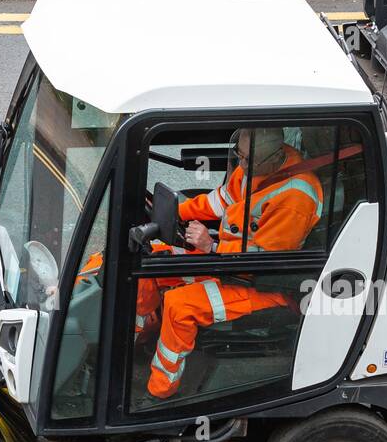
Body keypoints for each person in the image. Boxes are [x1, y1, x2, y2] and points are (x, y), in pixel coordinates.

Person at [137, 127, 324, 399]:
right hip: (228, 262)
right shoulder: (255, 164)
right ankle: (135, 341)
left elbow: (266, 261)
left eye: (247, 161)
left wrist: (211, 247)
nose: (241, 165)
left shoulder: (295, 199)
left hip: (265, 284)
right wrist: (169, 212)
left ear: (273, 158)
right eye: (240, 156)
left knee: (180, 306)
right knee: (151, 264)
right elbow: (220, 201)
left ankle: (159, 393)